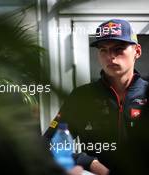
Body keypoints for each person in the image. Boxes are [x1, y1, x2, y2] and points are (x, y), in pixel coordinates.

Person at [44, 19, 149, 175]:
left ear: (137, 52)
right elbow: (48, 145)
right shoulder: (82, 97)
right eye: (103, 50)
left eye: (118, 49)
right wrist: (89, 163)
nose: (110, 56)